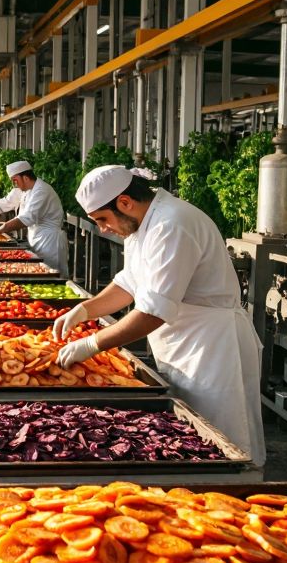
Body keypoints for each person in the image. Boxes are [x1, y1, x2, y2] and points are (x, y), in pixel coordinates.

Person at [53, 165, 265, 464]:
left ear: (124, 202)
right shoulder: (141, 224)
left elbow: (153, 312)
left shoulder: (172, 224)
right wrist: (85, 309)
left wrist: (92, 344)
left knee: (222, 442)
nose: (102, 228)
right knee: (189, 441)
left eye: (102, 219)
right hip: (182, 343)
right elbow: (130, 283)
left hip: (211, 349)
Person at [0, 160, 68, 273]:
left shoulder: (41, 190)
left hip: (50, 242)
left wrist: (2, 228)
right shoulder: (23, 189)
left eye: (15, 180)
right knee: (39, 273)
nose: (14, 184)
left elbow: (27, 217)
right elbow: (4, 203)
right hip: (36, 237)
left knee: (53, 276)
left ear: (25, 178)